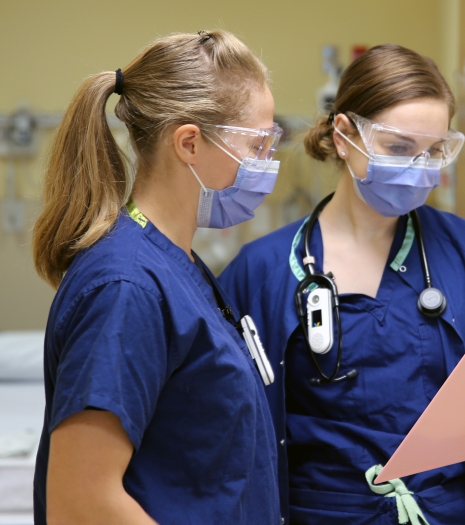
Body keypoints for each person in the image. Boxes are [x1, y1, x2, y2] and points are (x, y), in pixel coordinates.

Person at [219, 44, 465, 525]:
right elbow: (227, 437)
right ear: (345, 135)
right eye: (400, 149)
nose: (420, 168)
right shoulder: (262, 271)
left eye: (434, 151)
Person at [32, 30, 283, 525]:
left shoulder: (175, 264)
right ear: (189, 142)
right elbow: (81, 505)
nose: (266, 163)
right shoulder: (126, 288)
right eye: (257, 143)